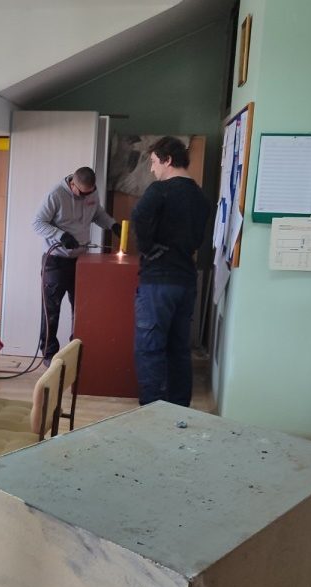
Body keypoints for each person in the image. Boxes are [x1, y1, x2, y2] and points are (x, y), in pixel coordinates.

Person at [131, 136, 210, 407]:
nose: (152, 169)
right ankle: (179, 410)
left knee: (150, 349)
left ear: (167, 160)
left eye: (154, 162)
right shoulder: (200, 197)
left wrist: (147, 248)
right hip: (186, 280)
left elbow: (139, 216)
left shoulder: (160, 190)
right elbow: (197, 238)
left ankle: (152, 412)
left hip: (158, 282)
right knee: (179, 350)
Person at [33, 166, 121, 365]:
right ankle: (49, 354)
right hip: (55, 260)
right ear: (72, 183)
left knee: (81, 309)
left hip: (81, 261)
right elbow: (37, 223)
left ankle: (75, 352)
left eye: (90, 192)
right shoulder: (55, 195)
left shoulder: (91, 192)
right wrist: (61, 235)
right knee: (51, 310)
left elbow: (97, 213)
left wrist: (112, 224)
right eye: (82, 193)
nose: (85, 196)